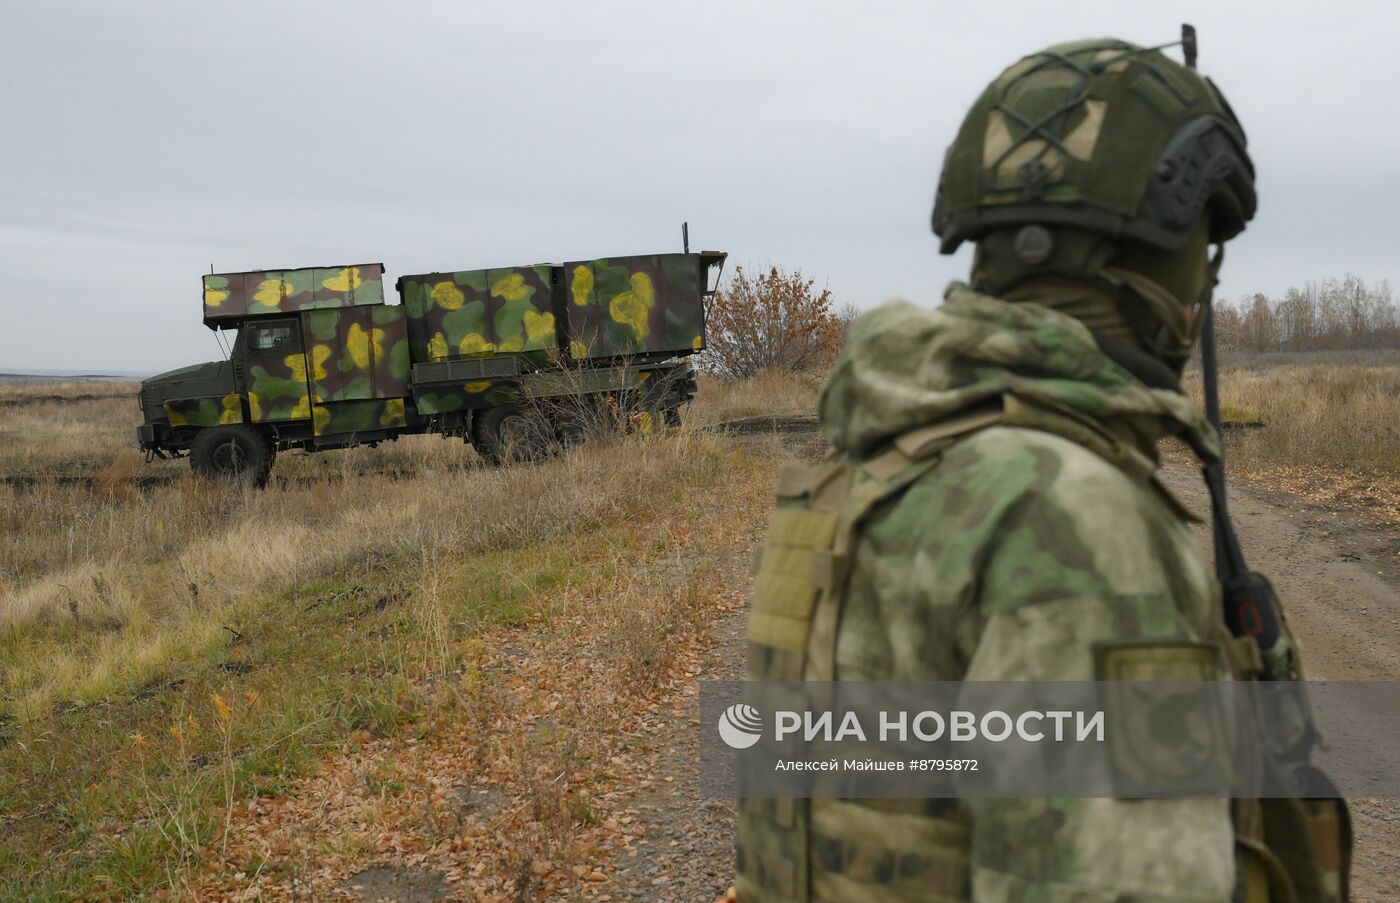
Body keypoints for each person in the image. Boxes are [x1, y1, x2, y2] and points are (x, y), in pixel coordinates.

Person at [730, 37, 1348, 903]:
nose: (1200, 294)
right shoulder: (1070, 516)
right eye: (1199, 256)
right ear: (1152, 257)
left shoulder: (862, 473)